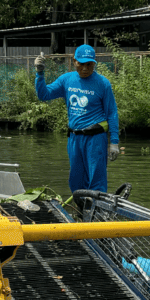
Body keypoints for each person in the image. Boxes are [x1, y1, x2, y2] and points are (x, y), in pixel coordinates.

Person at [34, 44, 120, 193]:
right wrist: (40, 73)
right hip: (74, 138)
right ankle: (80, 212)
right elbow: (44, 95)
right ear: (74, 61)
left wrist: (114, 142)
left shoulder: (103, 84)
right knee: (75, 180)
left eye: (89, 64)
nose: (85, 68)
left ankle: (96, 213)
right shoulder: (66, 80)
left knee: (96, 180)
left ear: (94, 63)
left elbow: (112, 113)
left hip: (96, 139)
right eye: (81, 64)